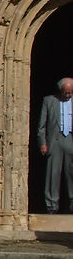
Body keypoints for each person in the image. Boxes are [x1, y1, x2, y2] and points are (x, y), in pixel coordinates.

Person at [37, 77, 73, 214]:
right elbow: (42, 125)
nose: (68, 95)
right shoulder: (49, 101)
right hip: (55, 140)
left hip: (70, 138)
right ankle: (52, 205)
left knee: (71, 173)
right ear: (60, 90)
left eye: (70, 93)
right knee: (53, 173)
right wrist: (43, 143)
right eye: (66, 93)